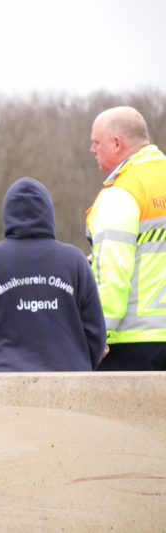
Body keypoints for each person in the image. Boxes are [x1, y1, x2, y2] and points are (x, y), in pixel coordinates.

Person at [0, 178, 106, 371]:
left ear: (7, 214)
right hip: (68, 377)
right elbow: (95, 332)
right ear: (49, 213)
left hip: (3, 377)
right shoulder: (75, 259)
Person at [86, 107, 166, 370]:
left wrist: (99, 333)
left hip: (134, 343)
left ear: (117, 143)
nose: (92, 149)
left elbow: (113, 272)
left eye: (96, 142)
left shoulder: (122, 192)